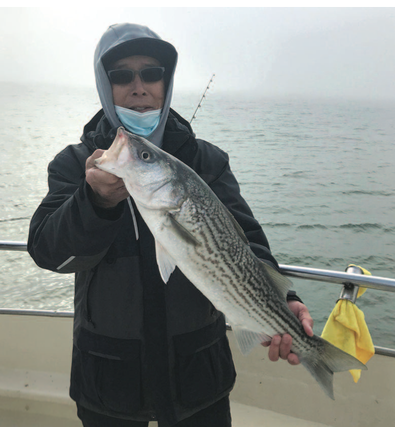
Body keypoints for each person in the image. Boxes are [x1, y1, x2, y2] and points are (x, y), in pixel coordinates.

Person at [28, 23, 313, 427]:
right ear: (103, 85)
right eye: (121, 75)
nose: (138, 86)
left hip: (199, 378)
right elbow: (49, 253)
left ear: (167, 81)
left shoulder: (207, 161)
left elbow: (246, 243)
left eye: (152, 73)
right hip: (109, 382)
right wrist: (94, 203)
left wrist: (281, 302)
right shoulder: (75, 165)